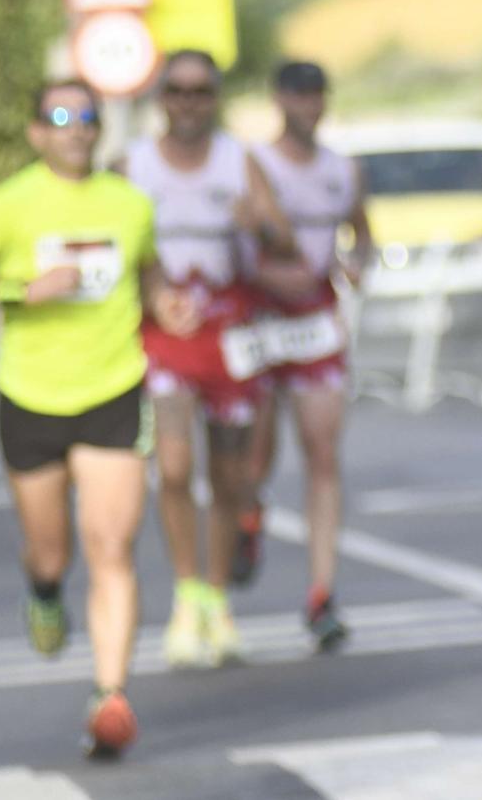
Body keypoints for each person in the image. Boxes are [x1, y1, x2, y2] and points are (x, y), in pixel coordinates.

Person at [0, 78, 196, 757]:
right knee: (52, 549)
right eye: (60, 117)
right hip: (31, 396)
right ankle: (41, 589)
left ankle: (110, 696)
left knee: (112, 546)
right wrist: (20, 290)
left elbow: (148, 272)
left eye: (87, 117)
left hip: (113, 389)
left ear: (100, 129)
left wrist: (166, 301)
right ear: (37, 131)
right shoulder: (9, 204)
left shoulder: (128, 203)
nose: (76, 128)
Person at [120, 49, 295, 669]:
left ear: (214, 98)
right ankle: (185, 597)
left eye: (200, 91)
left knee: (231, 476)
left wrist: (259, 224)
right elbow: (117, 246)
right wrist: (153, 294)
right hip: (166, 332)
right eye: (177, 90)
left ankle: (217, 600)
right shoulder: (134, 164)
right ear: (161, 97)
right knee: (171, 467)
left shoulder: (237, 160)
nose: (188, 102)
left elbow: (284, 238)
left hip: (227, 330)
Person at [241, 60, 372, 650]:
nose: (308, 106)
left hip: (317, 318)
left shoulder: (343, 171)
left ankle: (322, 592)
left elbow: (363, 234)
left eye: (317, 95)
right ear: (279, 100)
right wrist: (269, 269)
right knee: (255, 455)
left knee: (323, 452)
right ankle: (249, 513)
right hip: (261, 316)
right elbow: (240, 238)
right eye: (297, 95)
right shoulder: (255, 167)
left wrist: (356, 264)